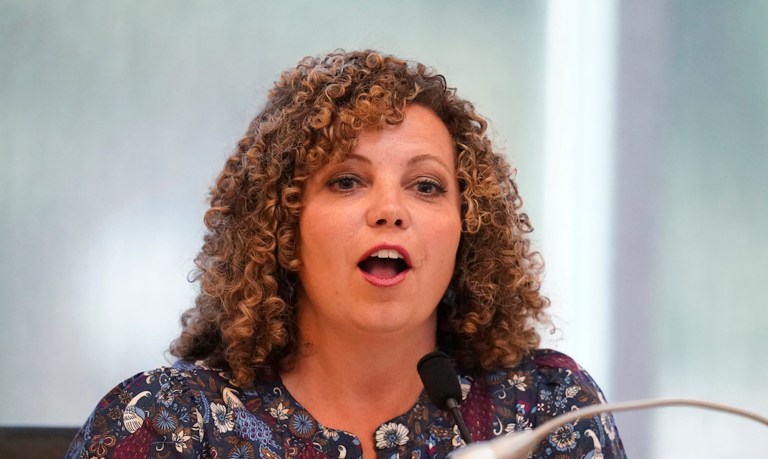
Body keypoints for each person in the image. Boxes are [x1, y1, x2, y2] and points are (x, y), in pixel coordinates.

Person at [67, 49, 626, 459]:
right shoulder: (169, 424)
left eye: (427, 186)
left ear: (467, 231)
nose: (390, 209)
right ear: (283, 226)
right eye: (346, 181)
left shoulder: (549, 413)